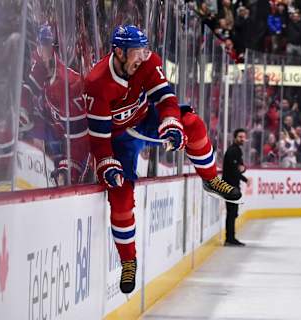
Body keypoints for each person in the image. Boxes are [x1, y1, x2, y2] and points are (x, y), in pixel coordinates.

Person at [83, 25, 241, 294]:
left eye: (144, 51)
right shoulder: (97, 83)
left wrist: (171, 122)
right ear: (119, 52)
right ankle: (128, 261)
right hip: (119, 140)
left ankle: (211, 179)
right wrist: (107, 163)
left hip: (146, 120)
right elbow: (98, 140)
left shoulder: (148, 61)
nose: (142, 58)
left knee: (193, 124)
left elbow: (166, 98)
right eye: (136, 52)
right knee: (120, 195)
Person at [222, 129, 250, 246]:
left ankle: (231, 237)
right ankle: (229, 238)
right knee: (232, 212)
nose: (242, 139)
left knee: (233, 212)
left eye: (243, 137)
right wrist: (245, 179)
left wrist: (243, 170)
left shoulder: (237, 150)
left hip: (233, 185)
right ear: (234, 137)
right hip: (229, 185)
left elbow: (241, 167)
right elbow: (234, 170)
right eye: (240, 137)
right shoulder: (233, 150)